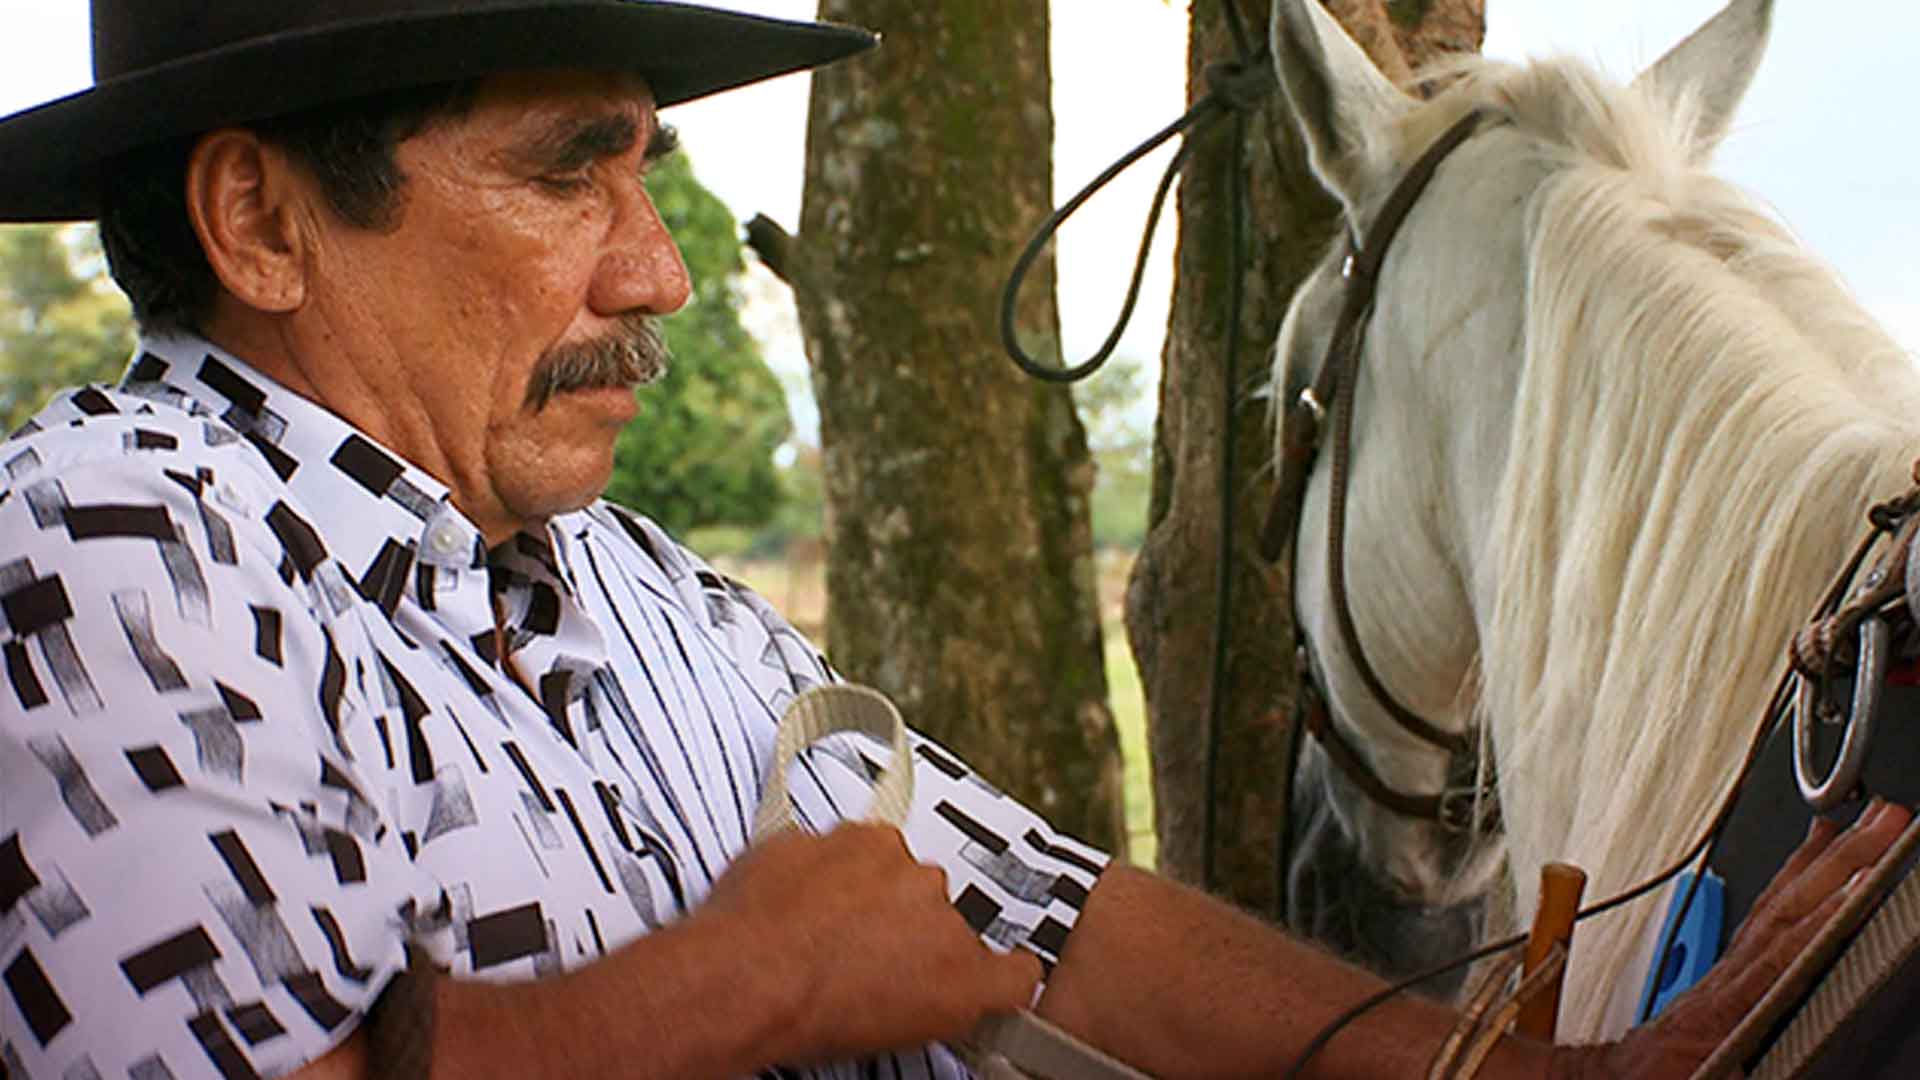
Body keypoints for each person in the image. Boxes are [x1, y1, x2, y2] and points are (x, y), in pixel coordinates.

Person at [0, 2, 1907, 1077]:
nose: (656, 268)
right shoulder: (94, 563)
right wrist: (750, 983)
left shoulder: (643, 590)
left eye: (645, 167)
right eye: (566, 167)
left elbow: (1055, 917)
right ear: (259, 219)